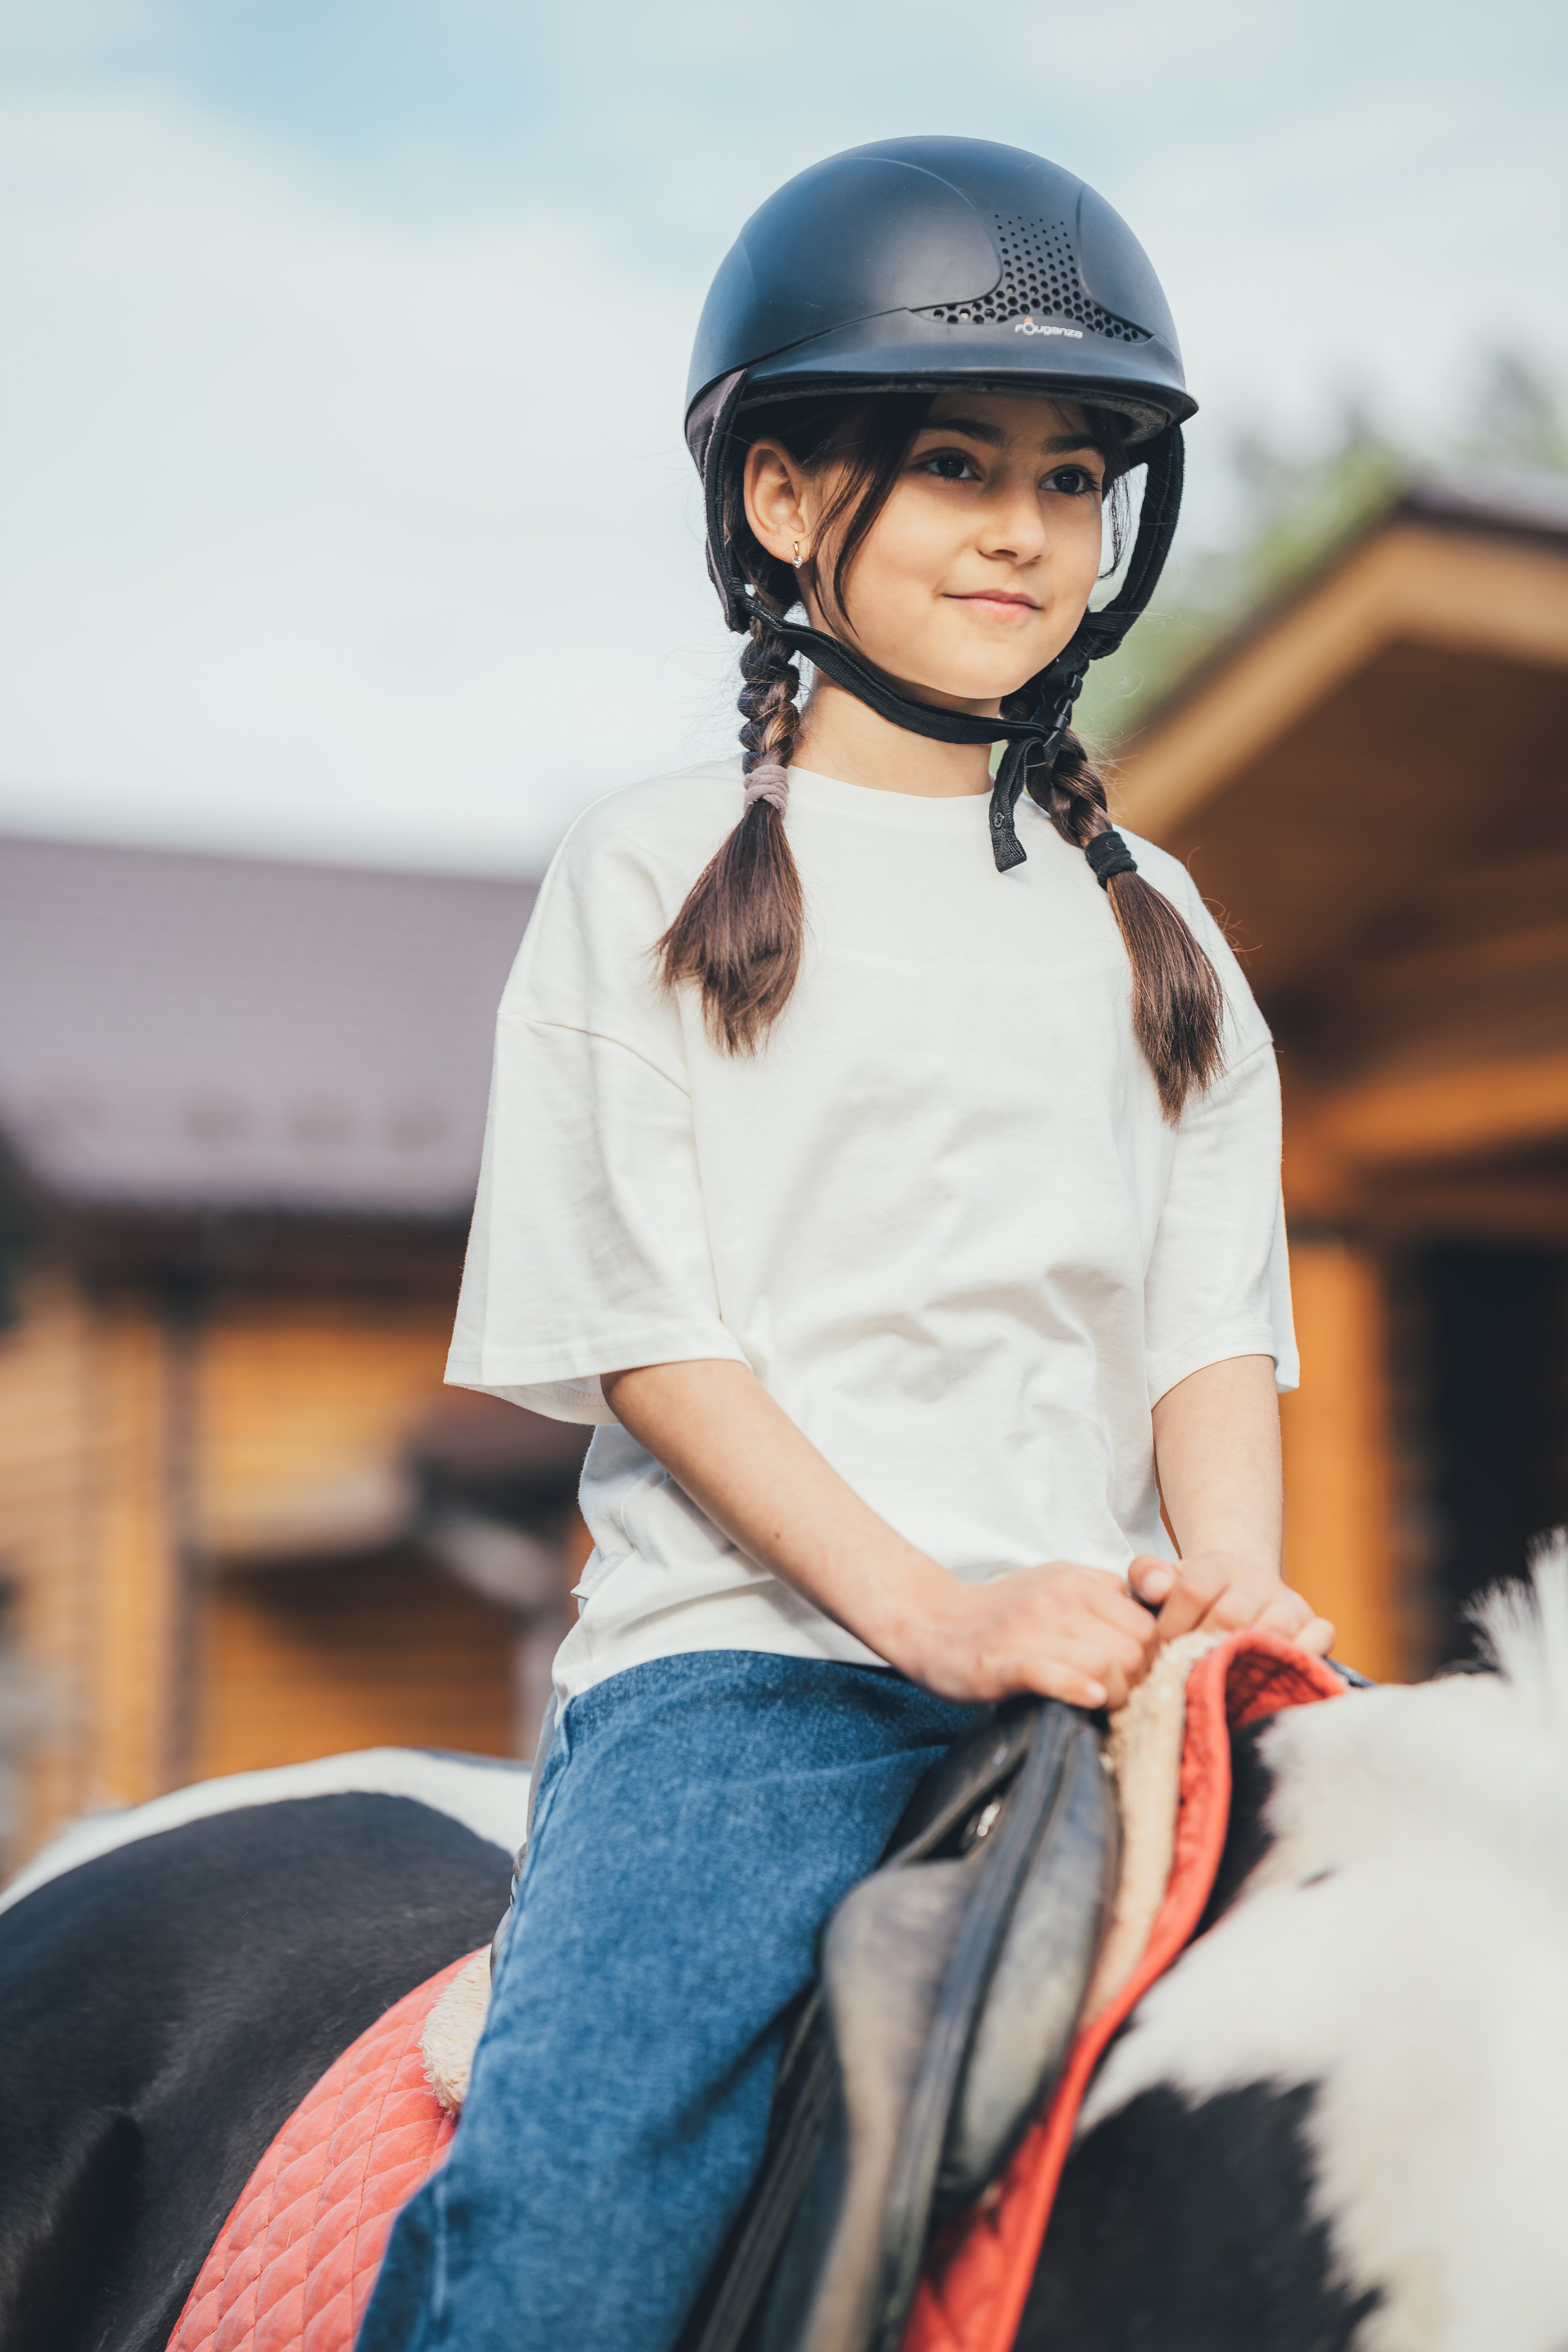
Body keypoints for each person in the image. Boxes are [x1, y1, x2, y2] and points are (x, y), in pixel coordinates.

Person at [358, 135, 1333, 2352]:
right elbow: (652, 1338)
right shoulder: (647, 875)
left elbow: (1208, 1325)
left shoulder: (1155, 924)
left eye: (1077, 477)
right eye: (963, 464)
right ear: (791, 503)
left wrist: (1236, 1588)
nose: (1027, 527)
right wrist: (935, 1609)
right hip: (760, 1681)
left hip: (1109, 1664)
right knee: (572, 2245)